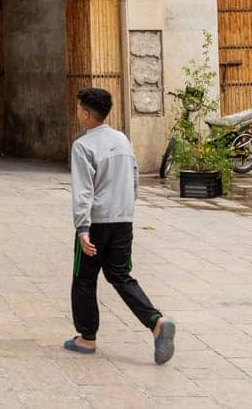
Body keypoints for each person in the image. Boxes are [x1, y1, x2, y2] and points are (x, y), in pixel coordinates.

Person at [67, 87, 176, 364]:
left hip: (97, 223)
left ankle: (87, 338)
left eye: (79, 108)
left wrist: (82, 228)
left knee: (84, 278)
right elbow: (135, 177)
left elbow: (83, 191)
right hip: (123, 219)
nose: (77, 112)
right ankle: (156, 321)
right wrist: (126, 208)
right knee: (120, 275)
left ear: (87, 114)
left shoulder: (83, 146)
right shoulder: (122, 139)